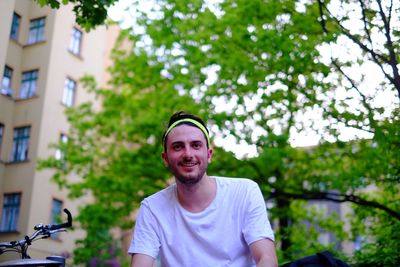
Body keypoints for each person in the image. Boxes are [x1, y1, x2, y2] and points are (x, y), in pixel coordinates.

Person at [128, 111, 278, 267]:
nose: (188, 154)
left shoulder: (244, 192)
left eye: (196, 145)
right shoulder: (152, 208)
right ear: (165, 158)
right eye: (178, 147)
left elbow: (266, 259)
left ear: (209, 154)